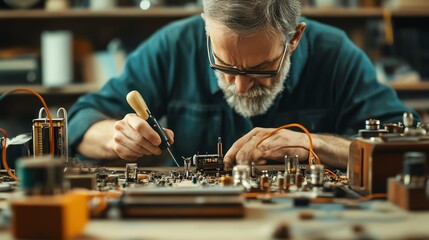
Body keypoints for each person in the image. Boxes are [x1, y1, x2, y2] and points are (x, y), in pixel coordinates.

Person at [68, 0, 419, 169]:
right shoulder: (173, 46)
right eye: (223, 66)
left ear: (294, 38)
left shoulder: (337, 55)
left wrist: (313, 144)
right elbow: (82, 120)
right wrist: (116, 137)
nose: (240, 86)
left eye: (262, 69)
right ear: (206, 30)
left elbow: (411, 149)